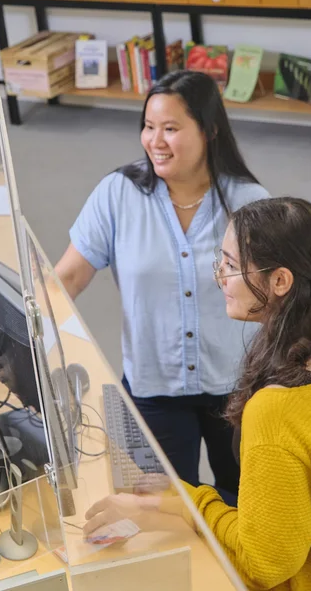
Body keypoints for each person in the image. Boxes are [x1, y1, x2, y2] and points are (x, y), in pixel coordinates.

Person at [86, 197, 311, 591]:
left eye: (232, 267)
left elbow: (264, 563)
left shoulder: (277, 409)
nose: (220, 278)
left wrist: (183, 506)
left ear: (281, 281)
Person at [56, 70, 270, 500]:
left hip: (238, 386)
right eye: (149, 127)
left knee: (247, 500)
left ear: (208, 131)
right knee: (165, 509)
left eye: (171, 129)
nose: (155, 140)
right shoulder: (117, 194)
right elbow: (70, 276)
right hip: (154, 386)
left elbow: (276, 295)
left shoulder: (249, 202)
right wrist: (30, 326)